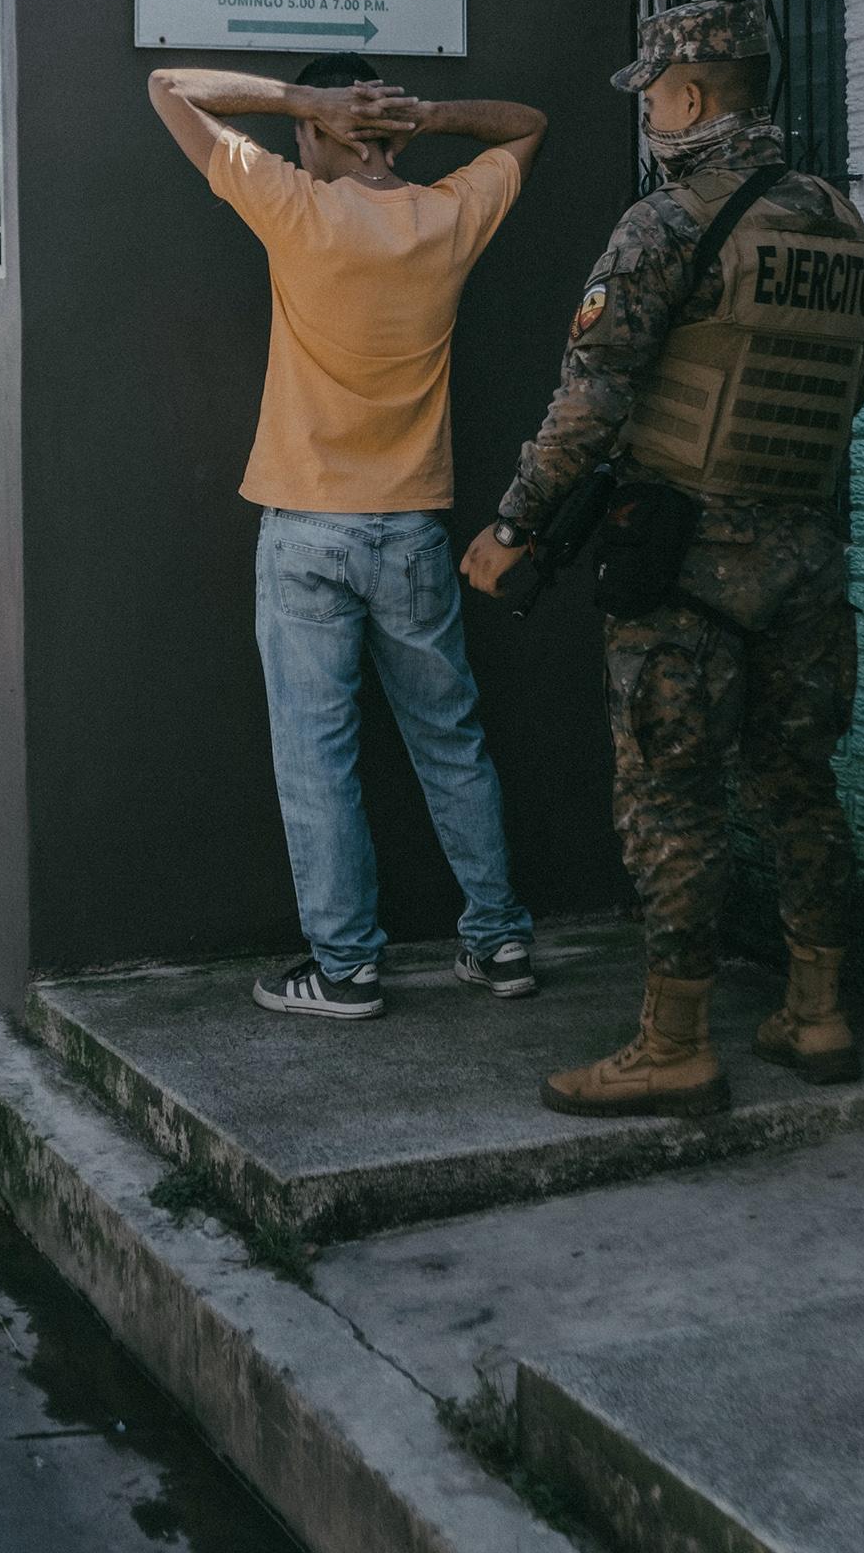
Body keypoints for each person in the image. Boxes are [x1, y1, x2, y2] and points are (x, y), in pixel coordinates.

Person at [463, 0, 864, 1119]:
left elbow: (591, 398)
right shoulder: (841, 225)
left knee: (672, 795)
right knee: (800, 786)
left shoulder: (666, 224)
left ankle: (675, 1042)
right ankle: (819, 1009)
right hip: (809, 557)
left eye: (654, 91)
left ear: (692, 97)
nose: (649, 111)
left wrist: (513, 527)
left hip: (687, 565)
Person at [146, 57, 548, 1019]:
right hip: (412, 527)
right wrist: (427, 117)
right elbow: (527, 120)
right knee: (450, 742)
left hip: (306, 532)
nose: (296, 142)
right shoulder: (446, 217)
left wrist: (299, 100)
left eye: (308, 130)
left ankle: (346, 969)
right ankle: (499, 945)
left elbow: (168, 88)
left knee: (316, 758)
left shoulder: (294, 207)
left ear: (327, 131)